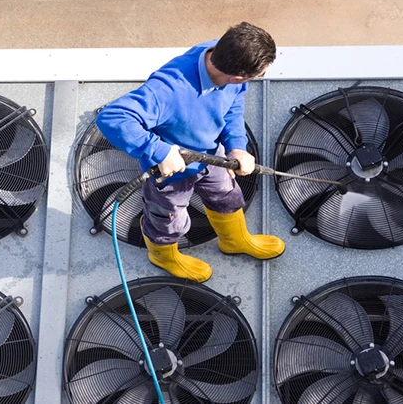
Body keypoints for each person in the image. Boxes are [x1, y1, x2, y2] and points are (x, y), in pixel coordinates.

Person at [96, 22, 285, 283]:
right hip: (172, 171)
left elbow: (232, 106)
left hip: (212, 155)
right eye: (259, 74)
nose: (259, 77)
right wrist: (158, 150)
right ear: (238, 76)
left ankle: (234, 241)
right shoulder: (168, 90)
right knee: (168, 220)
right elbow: (112, 117)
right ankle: (163, 256)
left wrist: (237, 146)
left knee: (227, 195)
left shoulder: (219, 54)